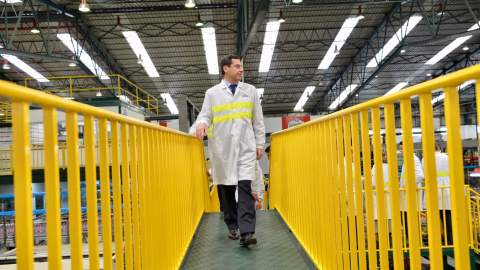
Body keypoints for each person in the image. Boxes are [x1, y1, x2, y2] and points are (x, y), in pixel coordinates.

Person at [195, 54, 265, 246]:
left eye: (241, 66)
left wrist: (259, 144)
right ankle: (232, 225)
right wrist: (201, 125)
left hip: (246, 148)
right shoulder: (212, 93)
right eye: (237, 66)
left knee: (244, 188)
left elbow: (258, 121)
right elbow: (205, 115)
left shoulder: (250, 91)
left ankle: (247, 232)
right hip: (223, 150)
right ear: (226, 68)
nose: (241, 69)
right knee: (226, 189)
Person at [422, 141, 452, 245]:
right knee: (447, 215)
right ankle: (450, 239)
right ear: (439, 147)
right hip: (446, 189)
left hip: (432, 190)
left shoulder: (426, 159)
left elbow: (423, 174)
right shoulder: (446, 157)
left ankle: (434, 239)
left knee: (433, 217)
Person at [398, 141, 425, 241]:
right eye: (400, 149)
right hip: (407, 198)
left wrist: (408, 185)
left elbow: (420, 175)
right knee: (406, 222)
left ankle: (415, 244)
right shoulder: (408, 160)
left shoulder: (413, 159)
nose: (401, 151)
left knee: (411, 223)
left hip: (411, 198)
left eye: (402, 148)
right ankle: (412, 243)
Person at [371, 148, 391, 233]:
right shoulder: (390, 166)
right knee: (389, 218)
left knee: (379, 219)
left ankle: (380, 241)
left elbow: (372, 183)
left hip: (379, 196)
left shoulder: (376, 167)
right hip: (389, 196)